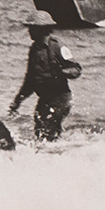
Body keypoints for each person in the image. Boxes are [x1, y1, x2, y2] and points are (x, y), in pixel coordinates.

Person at [9, 10, 82, 141]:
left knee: (48, 127)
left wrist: (61, 72)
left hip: (60, 98)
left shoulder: (57, 47)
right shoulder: (34, 49)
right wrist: (18, 101)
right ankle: (54, 151)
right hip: (45, 98)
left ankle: (56, 152)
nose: (29, 31)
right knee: (40, 127)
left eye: (32, 28)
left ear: (42, 29)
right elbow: (30, 79)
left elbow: (76, 69)